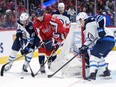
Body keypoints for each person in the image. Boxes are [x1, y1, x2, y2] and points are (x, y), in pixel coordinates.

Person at [76, 12, 115, 80]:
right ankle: (106, 72)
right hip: (111, 40)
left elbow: (101, 17)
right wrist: (84, 46)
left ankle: (92, 74)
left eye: (79, 21)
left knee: (93, 56)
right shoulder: (90, 24)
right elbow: (91, 39)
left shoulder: (89, 22)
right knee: (98, 56)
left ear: (82, 19)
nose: (80, 23)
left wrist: (101, 29)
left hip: (104, 40)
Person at [33, 8, 67, 73]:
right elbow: (38, 33)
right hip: (43, 37)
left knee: (51, 51)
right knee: (41, 51)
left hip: (51, 36)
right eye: (37, 17)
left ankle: (52, 64)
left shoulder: (49, 17)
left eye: (40, 16)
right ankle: (42, 66)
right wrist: (41, 41)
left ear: (43, 15)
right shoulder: (35, 22)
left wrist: (57, 32)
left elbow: (59, 23)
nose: (39, 18)